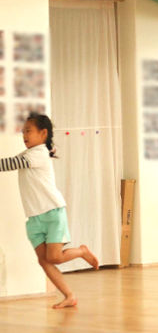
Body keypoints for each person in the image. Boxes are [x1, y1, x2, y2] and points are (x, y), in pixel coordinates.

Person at [0, 113, 98, 309]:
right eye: (23, 131)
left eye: (28, 131)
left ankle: (82, 251)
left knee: (54, 257)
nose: (24, 135)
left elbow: (8, 164)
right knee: (44, 261)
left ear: (43, 133)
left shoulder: (39, 154)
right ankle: (69, 296)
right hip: (34, 218)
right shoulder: (29, 154)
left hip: (52, 213)